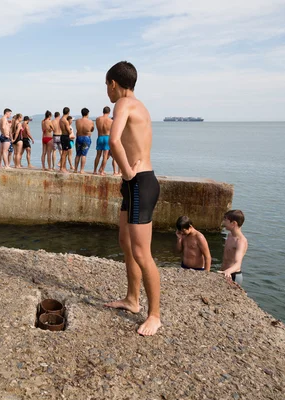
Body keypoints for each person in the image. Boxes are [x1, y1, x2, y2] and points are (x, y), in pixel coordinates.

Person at [102, 61, 162, 337]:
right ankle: (132, 299)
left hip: (139, 182)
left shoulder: (123, 105)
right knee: (126, 244)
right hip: (137, 184)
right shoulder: (141, 106)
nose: (107, 91)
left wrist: (126, 173)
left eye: (107, 85)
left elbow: (114, 141)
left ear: (113, 83)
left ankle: (155, 315)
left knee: (141, 253)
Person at [219, 210, 248, 285]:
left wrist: (227, 271)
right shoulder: (229, 235)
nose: (223, 223)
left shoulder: (240, 241)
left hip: (233, 275)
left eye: (226, 220)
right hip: (224, 272)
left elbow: (238, 263)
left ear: (234, 223)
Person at [74, 108, 94, 174]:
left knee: (77, 154)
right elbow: (91, 129)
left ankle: (75, 169)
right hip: (86, 138)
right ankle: (82, 170)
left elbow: (77, 128)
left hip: (79, 137)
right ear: (87, 114)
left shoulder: (77, 121)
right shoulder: (90, 121)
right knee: (83, 155)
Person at [93, 106, 112, 175]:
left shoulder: (98, 119)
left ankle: (95, 170)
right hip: (107, 137)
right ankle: (102, 171)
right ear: (109, 112)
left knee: (98, 155)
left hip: (100, 137)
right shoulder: (111, 121)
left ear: (103, 111)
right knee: (105, 155)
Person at [59, 107, 72, 173]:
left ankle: (64, 167)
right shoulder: (65, 121)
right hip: (65, 136)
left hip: (62, 136)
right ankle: (62, 167)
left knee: (65, 152)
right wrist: (70, 130)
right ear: (68, 112)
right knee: (64, 153)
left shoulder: (60, 119)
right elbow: (69, 131)